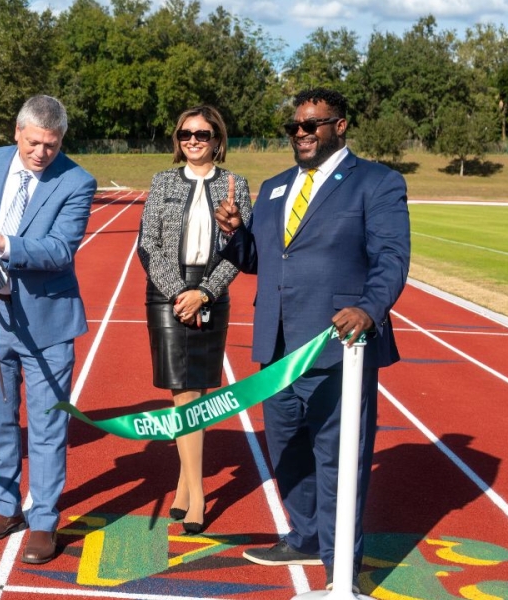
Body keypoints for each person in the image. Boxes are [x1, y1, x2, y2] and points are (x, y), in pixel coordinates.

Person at [215, 88, 410, 591]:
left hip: (337, 348)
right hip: (277, 348)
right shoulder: (277, 186)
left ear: (339, 126)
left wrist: (369, 308)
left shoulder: (377, 183)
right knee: (287, 451)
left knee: (338, 460)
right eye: (294, 127)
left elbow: (391, 257)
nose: (300, 134)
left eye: (311, 125)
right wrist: (237, 235)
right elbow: (262, 259)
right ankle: (303, 535)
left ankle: (339, 569)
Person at [0, 95, 96, 565]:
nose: (41, 153)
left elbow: (59, 250)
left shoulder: (76, 181)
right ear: (16, 132)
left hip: (47, 324)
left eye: (51, 145)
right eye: (33, 143)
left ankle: (45, 520)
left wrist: (1, 240)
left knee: (47, 427)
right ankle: (5, 507)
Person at [136, 105, 252, 535]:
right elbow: (147, 245)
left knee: (196, 393)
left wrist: (205, 291)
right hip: (167, 296)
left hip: (212, 292)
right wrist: (179, 293)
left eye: (202, 134)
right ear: (177, 139)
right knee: (181, 391)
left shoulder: (234, 185)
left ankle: (186, 488)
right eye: (186, 134)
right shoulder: (162, 181)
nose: (193, 141)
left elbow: (240, 249)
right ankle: (197, 491)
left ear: (217, 139)